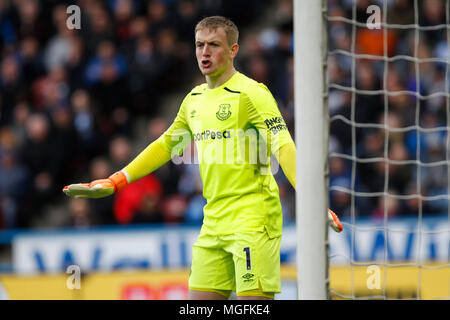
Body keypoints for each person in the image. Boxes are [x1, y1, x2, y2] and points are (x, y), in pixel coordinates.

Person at [63, 16, 342, 300]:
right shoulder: (194, 99)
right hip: (213, 220)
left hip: (253, 219)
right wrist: (117, 179)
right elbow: (165, 145)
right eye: (199, 45)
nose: (204, 52)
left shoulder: (252, 94)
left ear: (233, 50)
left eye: (213, 45)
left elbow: (283, 146)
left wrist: (312, 199)